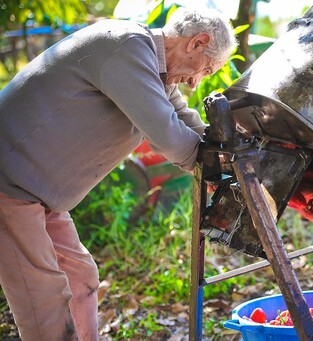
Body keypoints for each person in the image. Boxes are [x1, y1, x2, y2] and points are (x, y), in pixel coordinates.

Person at [0, 7, 237, 340]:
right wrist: (214, 167)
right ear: (197, 43)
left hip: (37, 193)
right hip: (9, 184)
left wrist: (229, 154)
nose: (197, 80)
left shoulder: (155, 70)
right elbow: (167, 133)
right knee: (45, 300)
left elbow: (187, 120)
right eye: (206, 69)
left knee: (80, 278)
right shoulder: (126, 47)